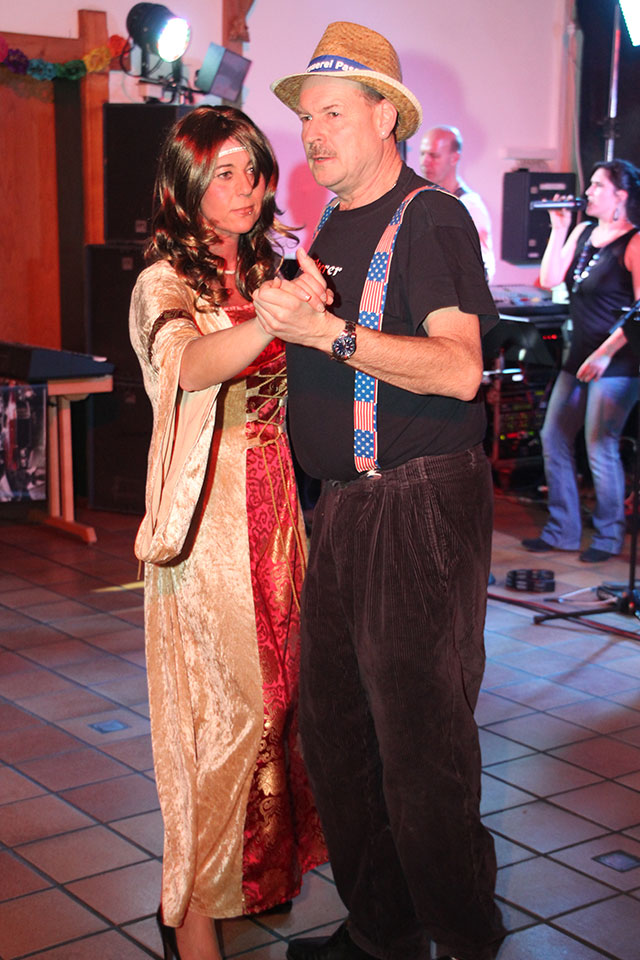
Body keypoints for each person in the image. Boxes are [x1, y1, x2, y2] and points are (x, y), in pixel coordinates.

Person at [252, 21, 506, 960]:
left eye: (332, 113)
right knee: (337, 736)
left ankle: (464, 937)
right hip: (347, 506)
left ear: (384, 117)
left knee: (421, 748)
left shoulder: (429, 217)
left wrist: (328, 335)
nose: (312, 134)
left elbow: (460, 368)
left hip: (417, 502)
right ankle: (383, 932)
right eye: (305, 117)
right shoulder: (331, 223)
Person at [128, 104, 326, 960]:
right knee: (220, 726)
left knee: (283, 709)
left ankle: (243, 877)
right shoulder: (164, 282)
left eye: (253, 169)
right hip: (207, 520)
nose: (246, 189)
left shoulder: (270, 265)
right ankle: (190, 912)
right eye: (224, 175)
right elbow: (187, 364)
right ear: (187, 187)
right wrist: (272, 322)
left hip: (279, 514)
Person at [522, 159, 640, 563]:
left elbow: (639, 312)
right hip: (578, 357)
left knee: (600, 445)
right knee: (553, 436)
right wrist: (558, 229)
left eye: (597, 185)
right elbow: (549, 279)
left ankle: (608, 537)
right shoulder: (583, 232)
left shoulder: (634, 242)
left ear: (620, 195)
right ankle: (564, 530)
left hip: (617, 362)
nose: (587, 192)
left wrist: (606, 354)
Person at [420, 125, 495, 282]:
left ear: (454, 158)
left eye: (434, 155)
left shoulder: (470, 207)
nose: (425, 162)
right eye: (423, 154)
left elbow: (484, 271)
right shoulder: (422, 201)